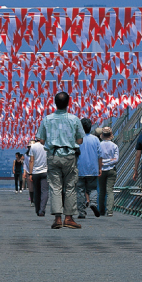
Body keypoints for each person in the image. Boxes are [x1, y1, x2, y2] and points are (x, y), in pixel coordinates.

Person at [37, 91, 84, 230]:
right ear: (68, 103)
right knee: (70, 186)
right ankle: (68, 218)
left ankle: (57, 218)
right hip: (69, 155)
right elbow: (80, 140)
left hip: (53, 155)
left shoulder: (47, 119)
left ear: (55, 103)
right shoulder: (74, 119)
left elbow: (41, 140)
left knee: (55, 187)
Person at [76, 118, 103, 220]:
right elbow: (100, 155)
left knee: (80, 191)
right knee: (93, 188)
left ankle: (82, 212)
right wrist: (100, 168)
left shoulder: (77, 139)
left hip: (80, 169)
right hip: (92, 168)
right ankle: (93, 202)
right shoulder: (95, 139)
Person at [99, 127, 119, 216]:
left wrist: (103, 162)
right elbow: (116, 159)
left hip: (101, 169)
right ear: (111, 134)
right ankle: (110, 211)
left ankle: (101, 210)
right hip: (111, 169)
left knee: (102, 191)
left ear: (102, 135)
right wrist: (109, 161)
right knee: (110, 190)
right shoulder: (114, 146)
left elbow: (97, 158)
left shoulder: (99, 145)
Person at [28, 136, 49, 216]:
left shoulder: (33, 146)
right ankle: (42, 209)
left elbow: (31, 161)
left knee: (36, 192)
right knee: (45, 191)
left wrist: (30, 173)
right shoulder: (47, 145)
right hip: (45, 171)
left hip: (35, 172)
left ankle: (37, 209)